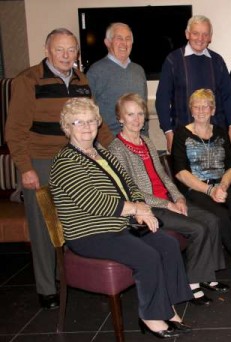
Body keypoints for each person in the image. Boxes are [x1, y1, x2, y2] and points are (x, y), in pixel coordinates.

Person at [50, 97, 191, 338]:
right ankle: (150, 315)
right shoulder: (65, 162)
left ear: (99, 123)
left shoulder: (100, 152)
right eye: (78, 122)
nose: (86, 127)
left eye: (91, 121)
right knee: (147, 256)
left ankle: (168, 306)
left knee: (166, 244)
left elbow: (129, 184)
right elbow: (93, 201)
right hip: (90, 233)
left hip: (118, 224)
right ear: (66, 127)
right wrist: (137, 210)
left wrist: (142, 207)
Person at [5, 28, 113, 310]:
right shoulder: (28, 80)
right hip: (41, 161)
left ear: (77, 52)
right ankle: (46, 288)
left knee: (74, 218)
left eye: (71, 50)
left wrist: (116, 150)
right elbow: (15, 131)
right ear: (47, 50)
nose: (66, 56)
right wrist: (25, 169)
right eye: (60, 50)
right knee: (43, 225)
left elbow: (94, 121)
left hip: (75, 160)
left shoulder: (82, 80)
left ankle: (65, 275)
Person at [108, 93, 229, 304]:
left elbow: (163, 175)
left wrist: (179, 198)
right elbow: (130, 190)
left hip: (168, 201)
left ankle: (206, 275)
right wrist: (167, 204)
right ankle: (192, 285)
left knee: (212, 219)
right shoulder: (116, 149)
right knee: (198, 228)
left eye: (139, 114)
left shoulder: (145, 141)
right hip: (149, 208)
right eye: (130, 115)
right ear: (120, 118)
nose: (136, 119)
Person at [171, 89, 231, 283]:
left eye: (206, 106)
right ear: (191, 110)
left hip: (222, 183)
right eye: (197, 106)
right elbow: (180, 172)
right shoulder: (181, 133)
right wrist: (210, 190)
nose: (202, 110)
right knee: (221, 216)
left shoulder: (220, 132)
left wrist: (223, 185)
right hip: (197, 188)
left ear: (213, 110)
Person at [156, 15, 231, 150]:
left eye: (205, 34)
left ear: (210, 37)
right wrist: (168, 134)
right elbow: (162, 99)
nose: (200, 38)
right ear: (187, 34)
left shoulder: (217, 61)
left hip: (216, 137)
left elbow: (229, 97)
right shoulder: (173, 60)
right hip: (183, 137)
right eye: (196, 33)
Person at [87, 22, 148, 135]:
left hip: (138, 141)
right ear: (107, 42)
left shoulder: (139, 71)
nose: (124, 43)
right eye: (119, 38)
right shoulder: (96, 71)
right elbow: (89, 113)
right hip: (109, 143)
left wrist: (146, 139)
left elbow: (143, 111)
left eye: (128, 39)